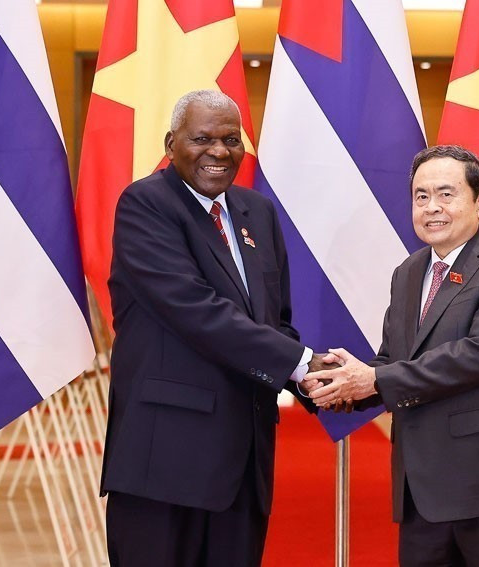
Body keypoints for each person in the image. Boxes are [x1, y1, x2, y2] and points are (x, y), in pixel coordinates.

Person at [101, 90, 328, 567]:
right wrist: (304, 366)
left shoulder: (257, 212)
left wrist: (326, 383)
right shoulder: (146, 204)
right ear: (171, 143)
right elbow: (194, 309)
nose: (219, 152)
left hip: (244, 460)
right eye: (202, 138)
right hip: (164, 460)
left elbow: (274, 321)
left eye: (231, 139)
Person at [306, 146, 479, 566]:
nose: (432, 207)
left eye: (446, 194)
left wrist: (376, 380)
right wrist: (338, 381)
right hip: (420, 490)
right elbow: (394, 360)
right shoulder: (409, 272)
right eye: (421, 196)